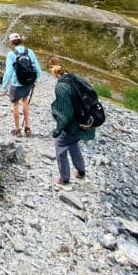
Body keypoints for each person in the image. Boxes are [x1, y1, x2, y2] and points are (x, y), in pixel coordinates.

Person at [49, 54, 96, 185]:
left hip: (74, 124)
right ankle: (81, 173)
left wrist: (57, 130)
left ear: (51, 70)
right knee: (73, 143)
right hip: (86, 120)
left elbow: (66, 114)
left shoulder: (61, 87)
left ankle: (64, 179)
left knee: (60, 144)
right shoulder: (75, 77)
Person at [1, 32, 41, 137]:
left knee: (15, 104)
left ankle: (17, 130)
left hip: (16, 83)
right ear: (21, 40)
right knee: (25, 100)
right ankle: (27, 128)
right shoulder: (29, 52)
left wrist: (4, 87)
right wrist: (34, 80)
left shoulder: (11, 55)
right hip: (28, 82)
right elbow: (38, 69)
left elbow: (8, 73)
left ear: (11, 42)